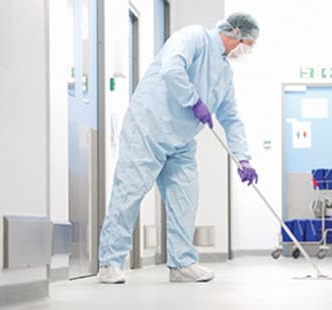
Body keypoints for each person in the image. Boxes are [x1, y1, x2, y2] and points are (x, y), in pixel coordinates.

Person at [97, 12, 259, 284]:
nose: (244, 50)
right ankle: (110, 263)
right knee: (129, 193)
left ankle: (182, 263)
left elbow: (231, 118)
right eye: (247, 44)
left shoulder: (224, 72)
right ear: (234, 31)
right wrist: (193, 100)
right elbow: (171, 68)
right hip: (148, 127)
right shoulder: (194, 37)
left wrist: (244, 159)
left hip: (182, 141)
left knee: (185, 199)